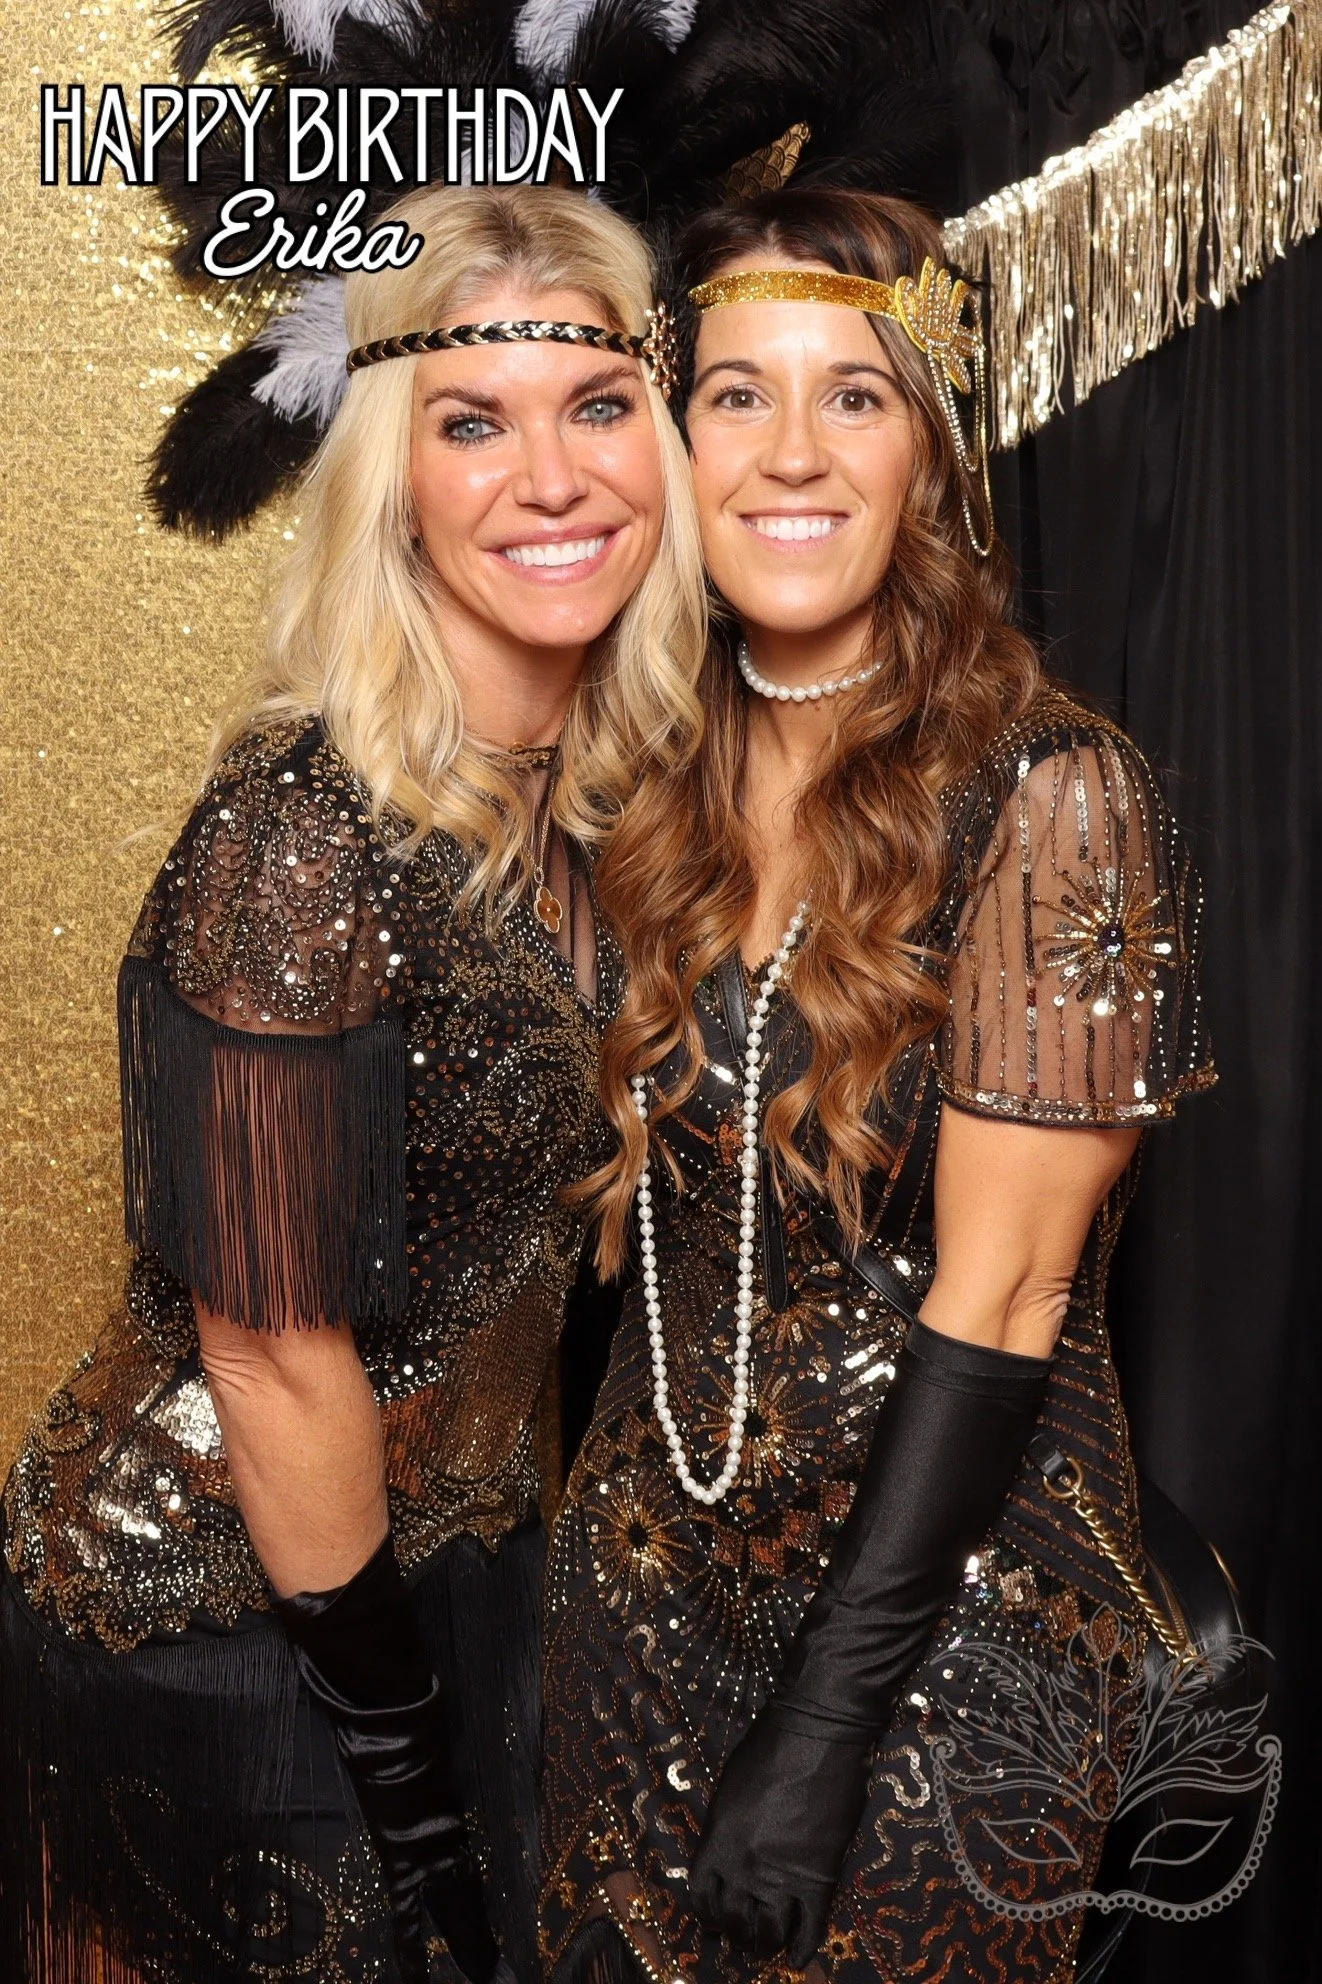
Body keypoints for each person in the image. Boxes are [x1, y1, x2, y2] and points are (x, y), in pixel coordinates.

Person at [0, 181, 703, 1984]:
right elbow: (264, 1346)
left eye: (595, 407)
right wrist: (413, 1786)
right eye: (472, 423)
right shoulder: (305, 830)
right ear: (395, 473)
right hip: (222, 1615)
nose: (551, 480)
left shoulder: (592, 800)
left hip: (440, 1568)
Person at [539, 187, 1216, 1984]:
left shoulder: (1057, 796)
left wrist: (824, 1739)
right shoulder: (632, 782)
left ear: (931, 449)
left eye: (855, 394)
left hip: (949, 1627)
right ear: (672, 441)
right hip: (633, 1585)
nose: (789, 452)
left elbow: (1008, 1291)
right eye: (736, 393)